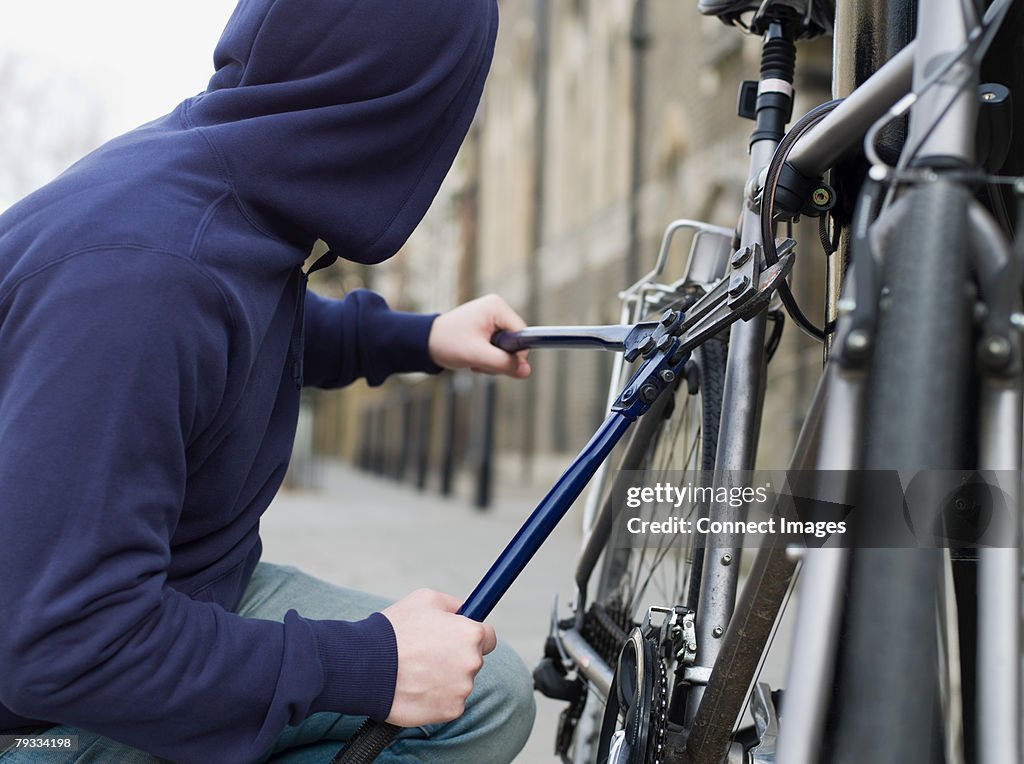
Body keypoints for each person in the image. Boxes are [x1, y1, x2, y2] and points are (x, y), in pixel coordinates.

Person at [0, 1, 536, 762]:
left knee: (487, 687)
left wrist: (419, 337)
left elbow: (238, 330)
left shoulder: (214, 184)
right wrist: (367, 665)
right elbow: (66, 644)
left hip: (177, 589)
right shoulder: (141, 278)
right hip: (42, 706)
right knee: (467, 705)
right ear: (404, 107)